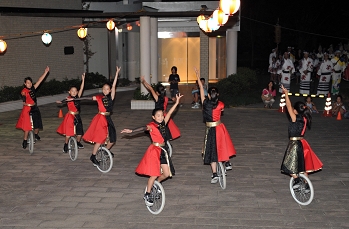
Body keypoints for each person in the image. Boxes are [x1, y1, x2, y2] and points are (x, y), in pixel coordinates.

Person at [121, 93, 183, 206]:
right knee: (154, 174)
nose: (160, 117)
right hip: (155, 151)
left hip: (163, 150)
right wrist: (132, 131)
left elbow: (169, 113)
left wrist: (177, 103)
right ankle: (147, 193)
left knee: (166, 173)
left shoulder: (163, 123)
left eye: (161, 115)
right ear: (154, 117)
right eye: (158, 116)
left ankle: (157, 183)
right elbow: (144, 128)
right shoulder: (151, 126)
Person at [194, 67, 236, 183]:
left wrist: (197, 76)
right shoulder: (221, 104)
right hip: (219, 127)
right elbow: (220, 110)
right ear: (217, 95)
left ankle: (214, 174)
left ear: (208, 95)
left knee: (211, 151)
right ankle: (227, 162)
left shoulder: (205, 103)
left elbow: (201, 89)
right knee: (223, 145)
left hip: (210, 129)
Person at [280, 85, 323, 190]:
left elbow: (288, 106)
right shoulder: (304, 118)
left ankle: (297, 180)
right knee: (302, 166)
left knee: (287, 166)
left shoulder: (295, 118)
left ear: (296, 111)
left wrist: (286, 94)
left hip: (294, 144)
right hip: (303, 143)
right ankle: (306, 185)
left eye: (294, 110)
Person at [82, 66, 121, 166]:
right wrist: (73, 99)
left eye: (107, 89)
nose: (105, 90)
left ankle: (105, 150)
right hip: (100, 119)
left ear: (110, 90)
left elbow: (114, 85)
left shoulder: (111, 97)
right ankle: (93, 156)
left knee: (112, 139)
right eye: (103, 89)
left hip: (108, 118)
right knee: (100, 139)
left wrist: (116, 73)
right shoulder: (99, 98)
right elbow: (88, 98)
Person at [16, 66, 50, 149]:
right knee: (27, 126)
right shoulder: (24, 90)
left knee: (37, 122)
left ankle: (36, 134)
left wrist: (45, 72)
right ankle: (24, 140)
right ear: (25, 83)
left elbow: (39, 80)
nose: (29, 84)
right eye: (28, 83)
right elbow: (23, 95)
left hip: (34, 107)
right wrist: (24, 100)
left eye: (30, 82)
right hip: (27, 108)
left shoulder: (33, 88)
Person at [140, 76, 180, 140]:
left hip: (158, 115)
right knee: (164, 127)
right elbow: (172, 100)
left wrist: (144, 81)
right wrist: (175, 99)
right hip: (164, 115)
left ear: (157, 92)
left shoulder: (157, 97)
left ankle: (159, 137)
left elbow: (150, 88)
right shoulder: (166, 98)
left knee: (155, 126)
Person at [56, 73, 86, 152]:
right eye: (72, 91)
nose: (74, 92)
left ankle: (78, 142)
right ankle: (66, 144)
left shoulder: (78, 97)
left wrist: (83, 80)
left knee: (80, 133)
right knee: (69, 133)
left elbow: (81, 88)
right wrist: (60, 102)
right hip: (70, 116)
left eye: (75, 91)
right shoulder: (68, 98)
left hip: (77, 116)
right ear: (69, 92)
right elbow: (64, 100)